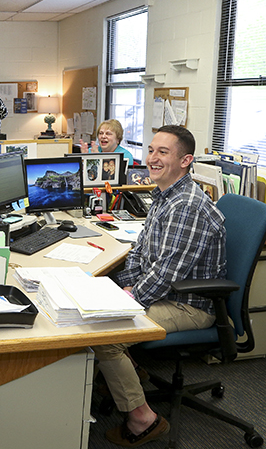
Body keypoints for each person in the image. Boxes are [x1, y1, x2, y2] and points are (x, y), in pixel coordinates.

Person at [94, 125, 226, 447]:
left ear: (186, 160)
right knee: (101, 298)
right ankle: (132, 373)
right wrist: (119, 286)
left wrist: (130, 297)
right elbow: (140, 252)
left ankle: (143, 418)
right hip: (168, 292)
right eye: (151, 150)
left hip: (191, 305)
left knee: (106, 333)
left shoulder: (186, 205)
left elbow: (166, 273)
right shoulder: (164, 194)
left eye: (163, 152)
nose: (152, 158)